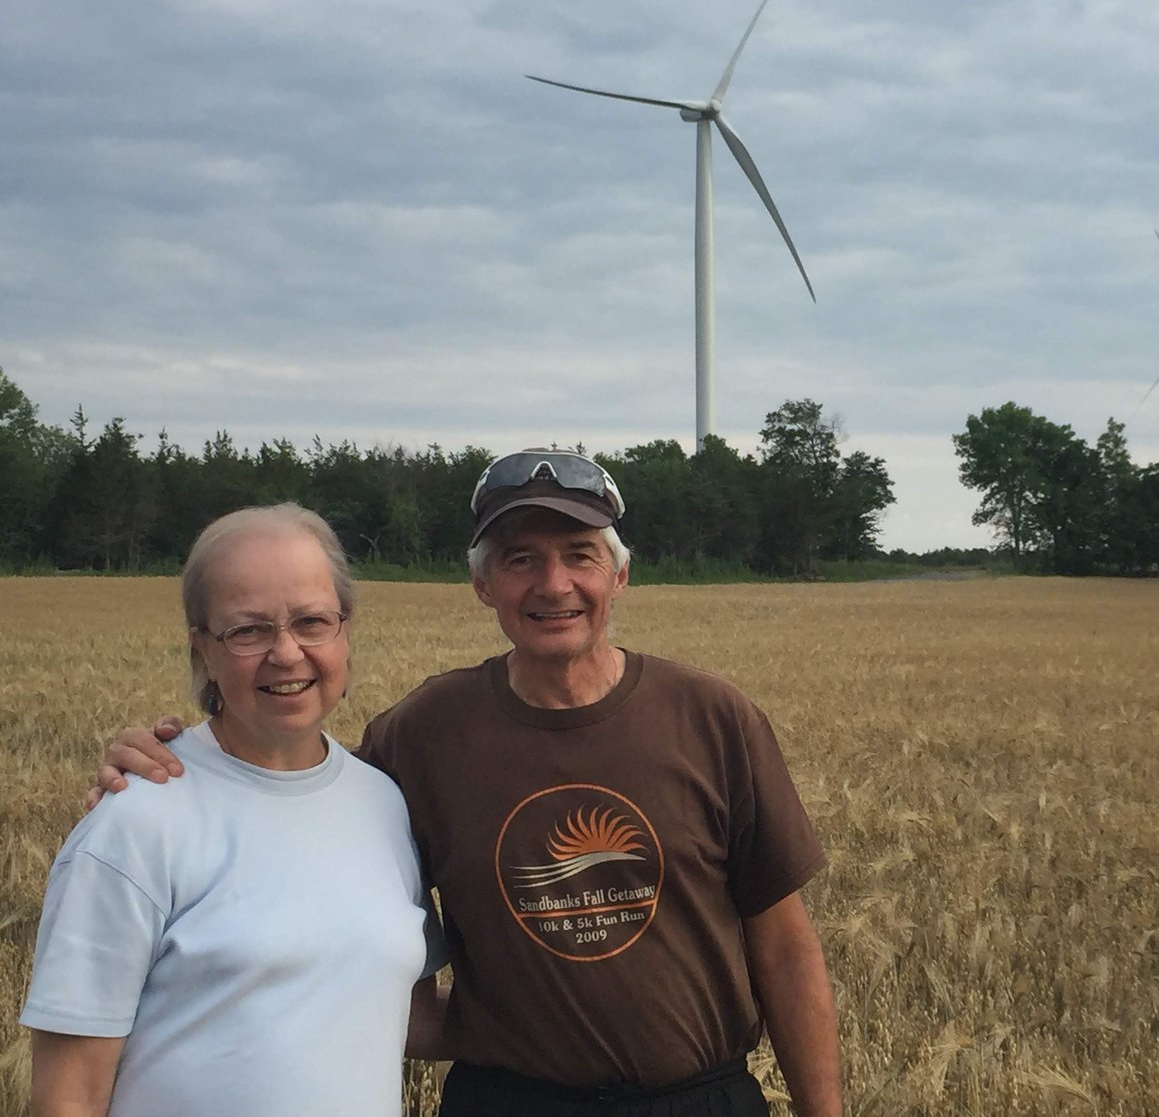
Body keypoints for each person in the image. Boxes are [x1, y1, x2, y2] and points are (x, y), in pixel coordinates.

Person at [95, 451, 844, 1117]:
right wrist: (176, 776)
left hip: (702, 1099)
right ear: (482, 584)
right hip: (508, 1099)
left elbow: (785, 952)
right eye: (519, 559)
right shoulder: (418, 737)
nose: (554, 585)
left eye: (579, 555)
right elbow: (292, 805)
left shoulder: (712, 718)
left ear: (619, 573)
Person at [27, 504, 447, 1117]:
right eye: (248, 630)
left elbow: (406, 1018)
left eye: (312, 622)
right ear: (203, 646)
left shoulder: (382, 802)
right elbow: (69, 1095)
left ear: (344, 630)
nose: (286, 653)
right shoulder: (136, 821)